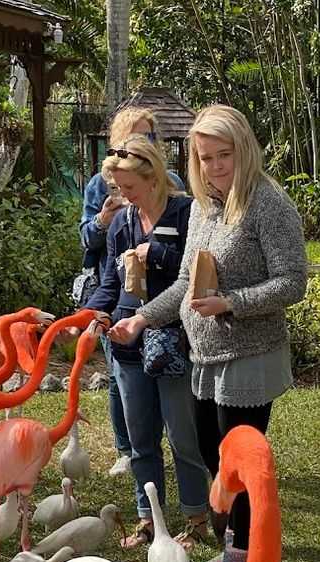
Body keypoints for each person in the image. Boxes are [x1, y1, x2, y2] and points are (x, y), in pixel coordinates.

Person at [109, 105, 308, 562]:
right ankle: (235, 550)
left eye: (225, 156)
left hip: (249, 355)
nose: (216, 167)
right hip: (205, 356)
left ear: (244, 150)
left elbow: (292, 282)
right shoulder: (203, 205)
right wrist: (143, 317)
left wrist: (232, 303)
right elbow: (182, 282)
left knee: (238, 467)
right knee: (213, 459)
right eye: (205, 158)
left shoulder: (268, 203)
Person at [82, 134, 210, 549]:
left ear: (153, 176)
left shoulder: (187, 213)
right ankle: (149, 520)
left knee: (183, 436)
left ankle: (196, 519)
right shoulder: (122, 220)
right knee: (140, 440)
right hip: (126, 341)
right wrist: (96, 314)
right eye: (118, 188)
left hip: (172, 338)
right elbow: (109, 282)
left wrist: (154, 253)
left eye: (129, 187)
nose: (122, 195)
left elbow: (195, 274)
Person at [79, 108, 184, 478]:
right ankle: (128, 449)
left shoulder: (173, 185)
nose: (143, 144)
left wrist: (154, 249)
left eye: (150, 138)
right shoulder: (101, 184)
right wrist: (105, 220)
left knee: (169, 386)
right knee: (122, 373)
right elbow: (88, 240)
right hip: (115, 290)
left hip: (164, 299)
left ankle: (184, 467)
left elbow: (187, 249)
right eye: (134, 138)